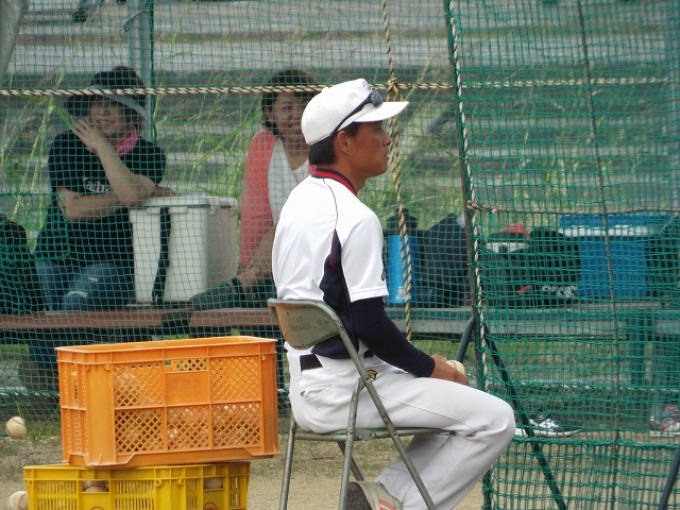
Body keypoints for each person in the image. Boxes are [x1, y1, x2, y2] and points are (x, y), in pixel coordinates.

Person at [272, 78, 515, 510]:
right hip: (347, 390)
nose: (386, 139)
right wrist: (431, 367)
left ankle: (381, 498)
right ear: (344, 142)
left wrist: (427, 370)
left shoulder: (299, 200)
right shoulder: (354, 216)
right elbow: (371, 325)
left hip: (308, 388)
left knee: (456, 409)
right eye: (376, 129)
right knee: (495, 418)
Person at [191, 68, 318, 310]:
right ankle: (244, 287)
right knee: (264, 296)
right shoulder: (263, 144)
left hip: (317, 254)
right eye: (287, 107)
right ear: (270, 114)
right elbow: (255, 215)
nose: (297, 114)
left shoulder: (326, 144)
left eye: (304, 105)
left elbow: (309, 211)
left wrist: (253, 270)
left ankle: (239, 287)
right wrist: (247, 264)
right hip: (272, 262)